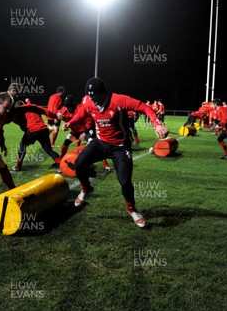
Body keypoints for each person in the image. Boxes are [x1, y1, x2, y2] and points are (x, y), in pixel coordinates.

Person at [62, 78, 169, 228]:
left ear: (103, 93)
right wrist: (70, 123)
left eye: (94, 96)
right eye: (89, 96)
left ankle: (132, 210)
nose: (91, 99)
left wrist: (156, 124)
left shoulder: (119, 100)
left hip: (120, 147)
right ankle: (86, 189)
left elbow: (144, 107)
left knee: (125, 181)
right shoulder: (89, 103)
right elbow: (81, 115)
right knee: (78, 164)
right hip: (100, 143)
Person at [10, 100, 62, 171]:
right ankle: (61, 164)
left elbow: (23, 126)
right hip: (43, 129)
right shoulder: (33, 106)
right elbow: (45, 111)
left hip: (33, 130)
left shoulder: (19, 110)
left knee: (22, 145)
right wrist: (55, 116)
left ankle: (18, 166)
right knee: (48, 150)